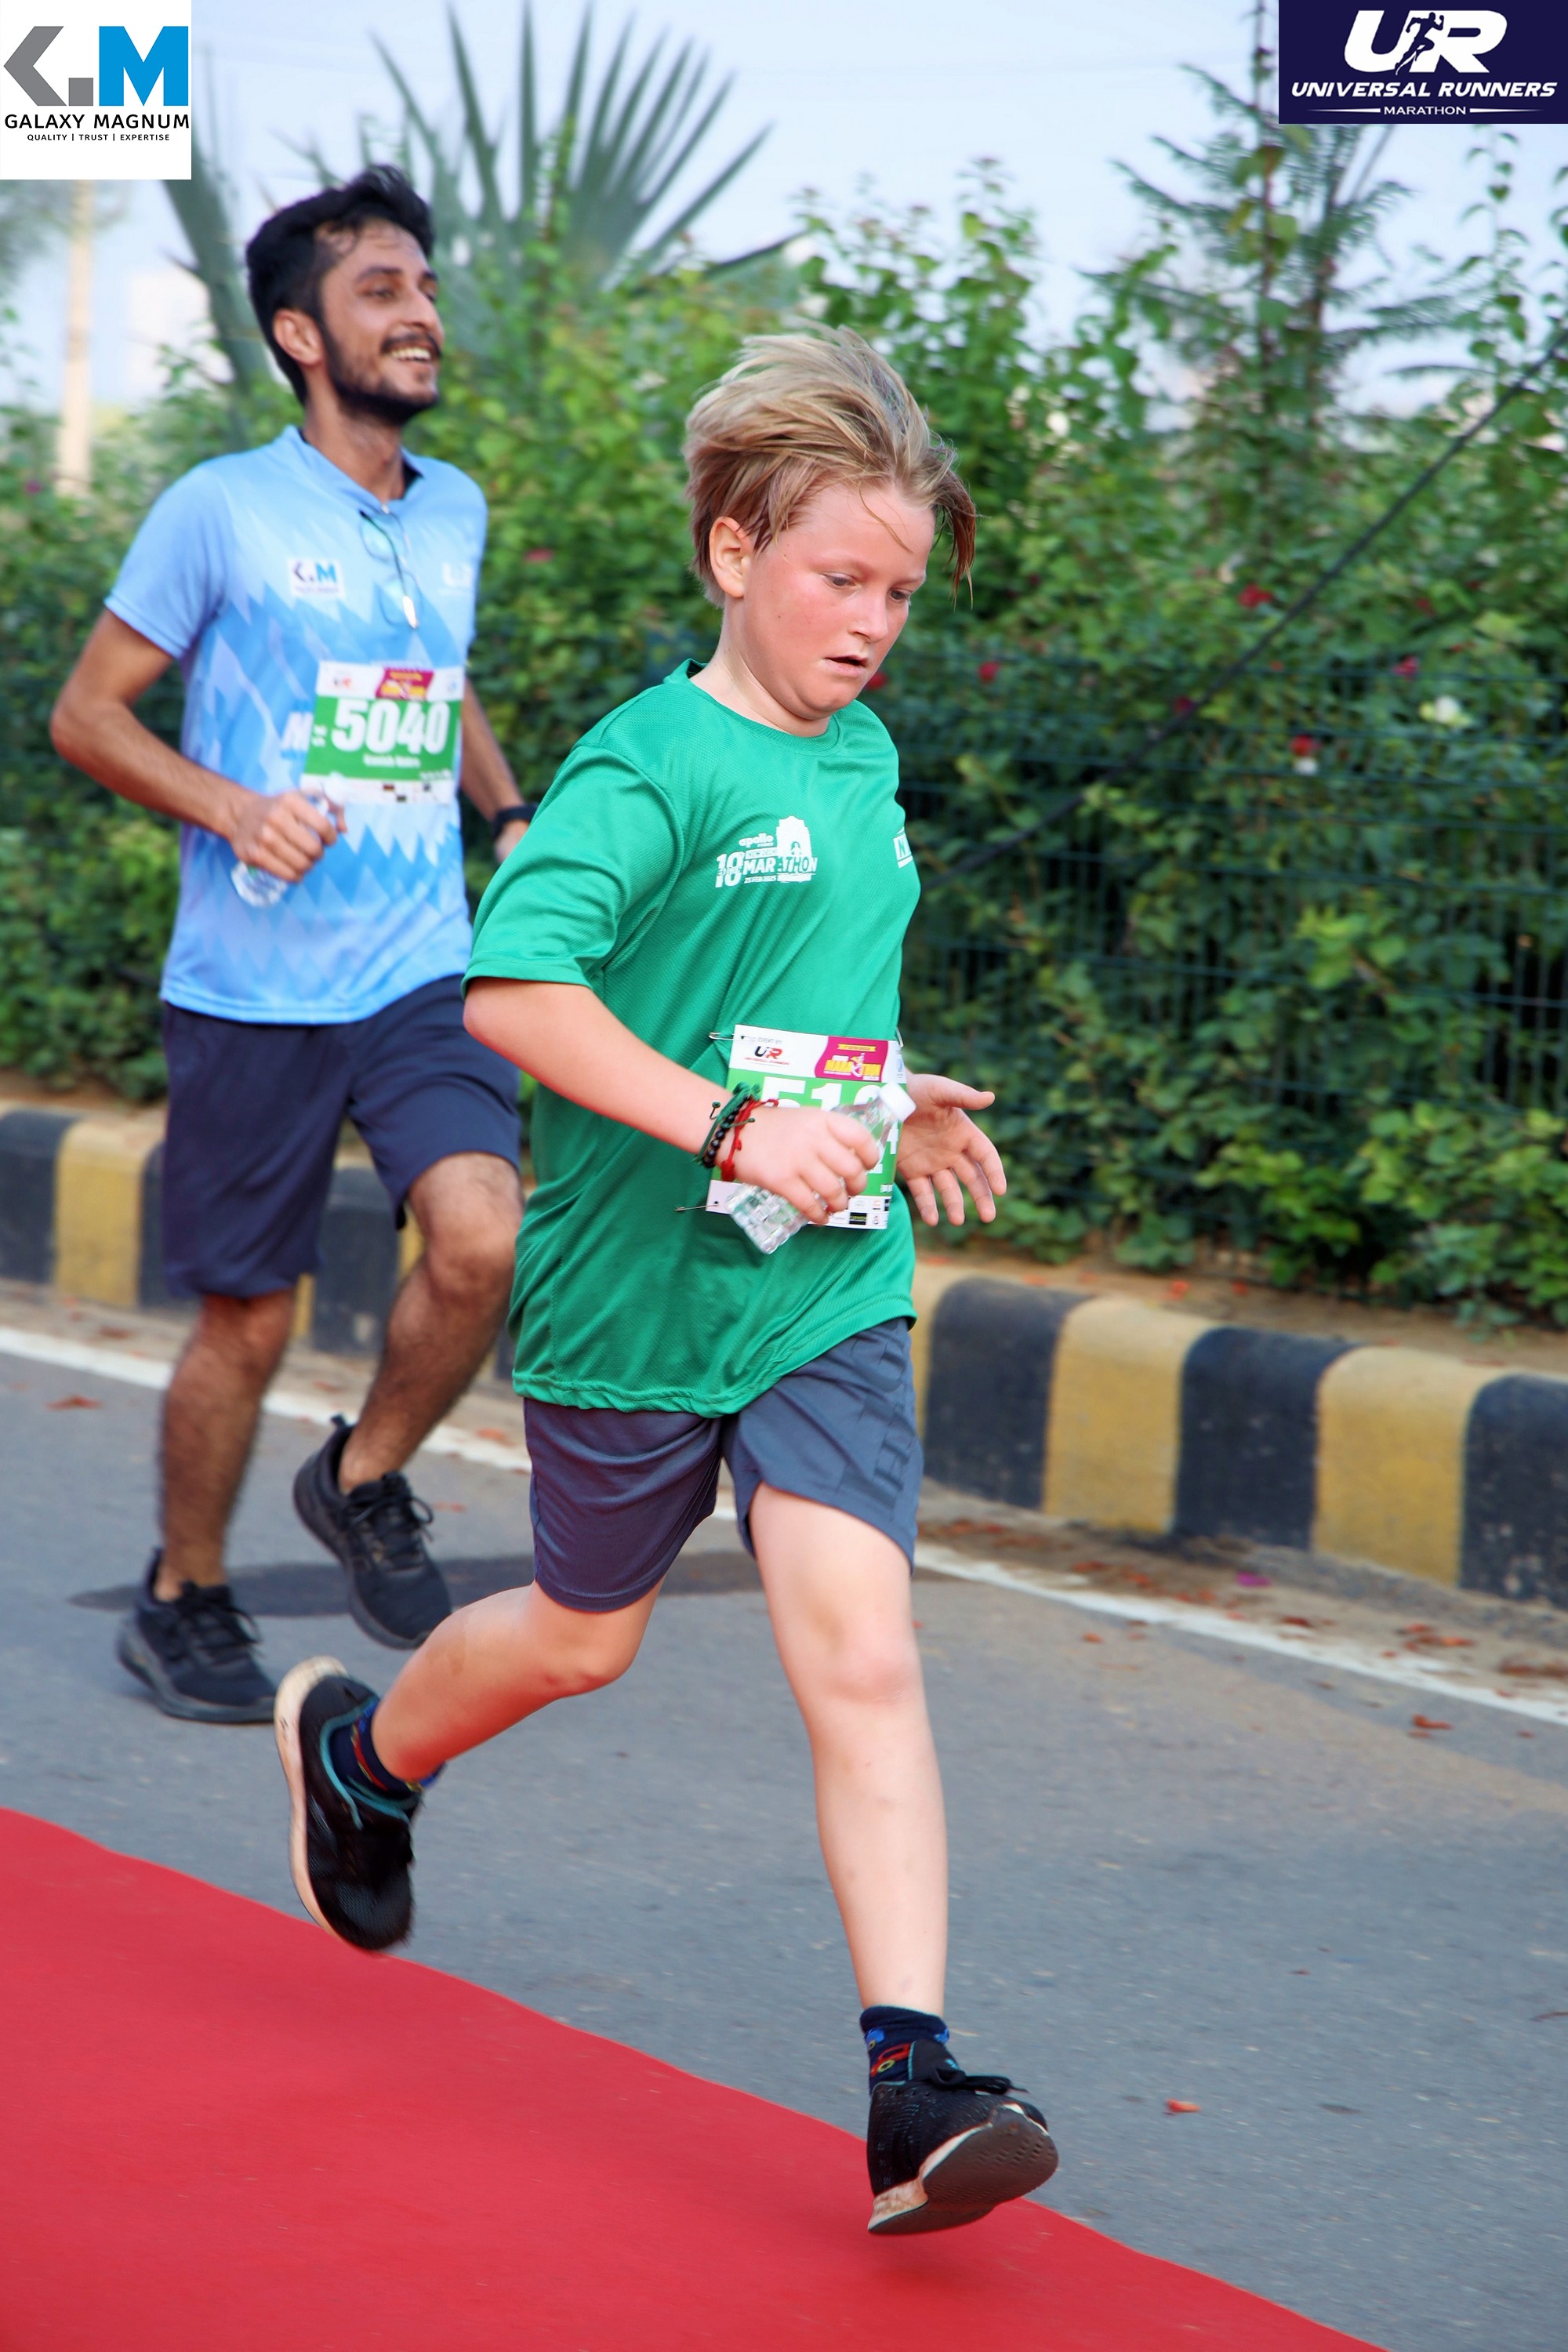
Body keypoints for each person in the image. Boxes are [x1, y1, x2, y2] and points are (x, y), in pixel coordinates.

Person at [274, 329, 1060, 2234]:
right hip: (634, 1295)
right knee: (581, 1636)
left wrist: (884, 1099)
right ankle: (364, 1762)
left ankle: (909, 2082)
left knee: (859, 1649)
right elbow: (516, 996)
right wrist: (729, 1129)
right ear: (731, 551)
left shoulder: (861, 754)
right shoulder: (648, 763)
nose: (872, 624)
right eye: (839, 579)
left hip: (820, 1284)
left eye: (897, 591)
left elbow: (796, 1001)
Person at [50, 168, 534, 1724]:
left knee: (483, 1239)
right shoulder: (220, 510)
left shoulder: (452, 508)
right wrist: (234, 808)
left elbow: (436, 674)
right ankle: (181, 1595)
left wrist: (507, 811)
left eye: (426, 287)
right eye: (383, 290)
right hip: (254, 983)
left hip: (419, 961)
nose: (421, 312)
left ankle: (364, 1475)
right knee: (249, 1319)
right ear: (301, 334)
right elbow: (88, 714)